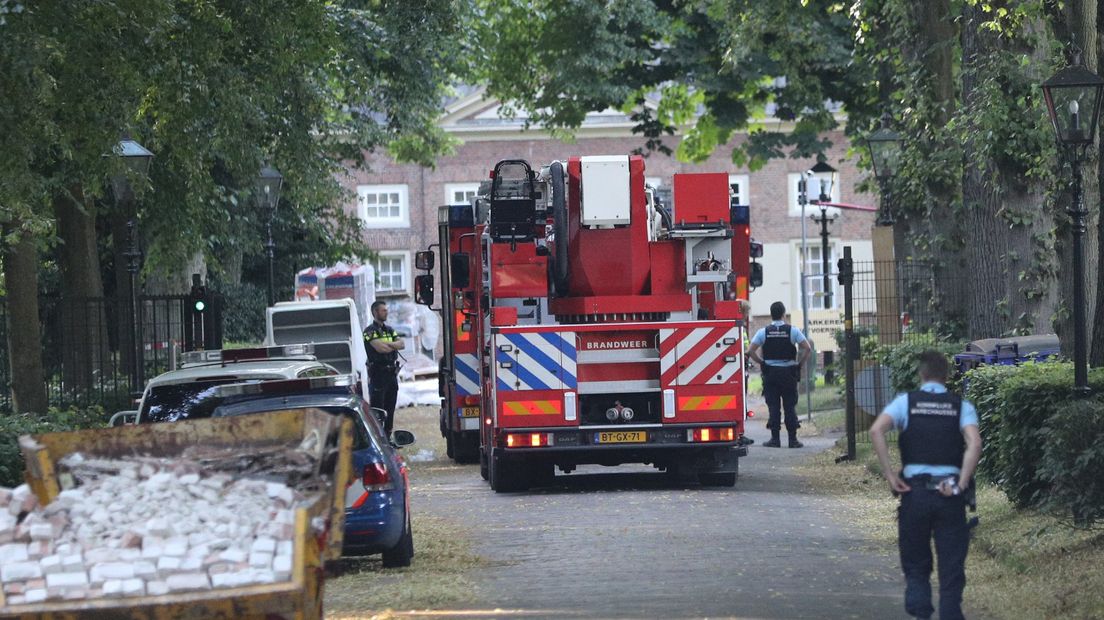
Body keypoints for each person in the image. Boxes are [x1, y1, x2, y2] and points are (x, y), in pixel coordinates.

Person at [870, 350, 982, 620]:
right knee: (952, 564)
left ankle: (920, 607)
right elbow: (975, 444)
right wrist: (960, 484)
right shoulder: (961, 407)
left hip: (914, 493)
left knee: (916, 559)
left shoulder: (905, 403)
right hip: (949, 495)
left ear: (921, 374)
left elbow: (876, 430)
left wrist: (889, 474)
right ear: (947, 376)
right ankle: (950, 613)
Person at [746, 301, 812, 448]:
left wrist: (762, 362)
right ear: (783, 314)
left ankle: (775, 439)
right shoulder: (792, 331)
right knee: (789, 405)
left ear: (771, 315)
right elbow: (807, 348)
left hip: (771, 374)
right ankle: (793, 440)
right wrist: (799, 365)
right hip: (788, 373)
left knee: (773, 406)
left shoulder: (763, 332)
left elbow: (750, 351)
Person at [363, 300, 404, 436]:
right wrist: (393, 344)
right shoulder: (369, 331)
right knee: (378, 410)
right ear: (375, 312)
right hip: (378, 375)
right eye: (383, 310)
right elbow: (380, 349)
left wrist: (388, 344)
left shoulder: (389, 330)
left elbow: (402, 344)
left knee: (390, 409)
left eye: (386, 310)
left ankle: (388, 436)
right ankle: (379, 437)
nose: (386, 312)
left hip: (391, 375)